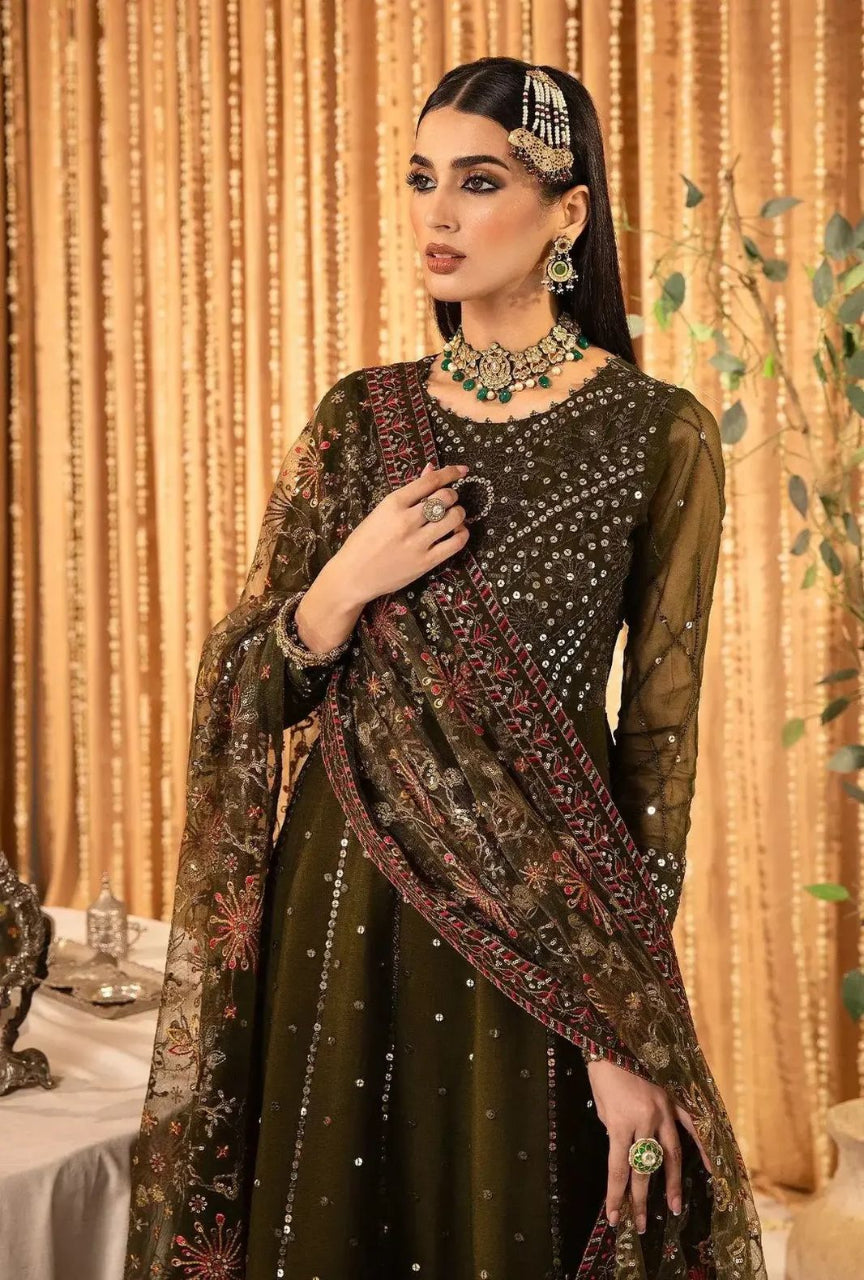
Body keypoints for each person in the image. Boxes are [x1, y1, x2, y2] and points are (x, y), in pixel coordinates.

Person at [123, 57, 766, 1280]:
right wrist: (342, 583)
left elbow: (656, 749)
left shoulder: (658, 432)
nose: (438, 212)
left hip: (535, 938)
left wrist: (619, 1017)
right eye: (423, 179)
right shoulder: (360, 420)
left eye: (479, 181)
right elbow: (250, 696)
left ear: (566, 212)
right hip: (345, 900)